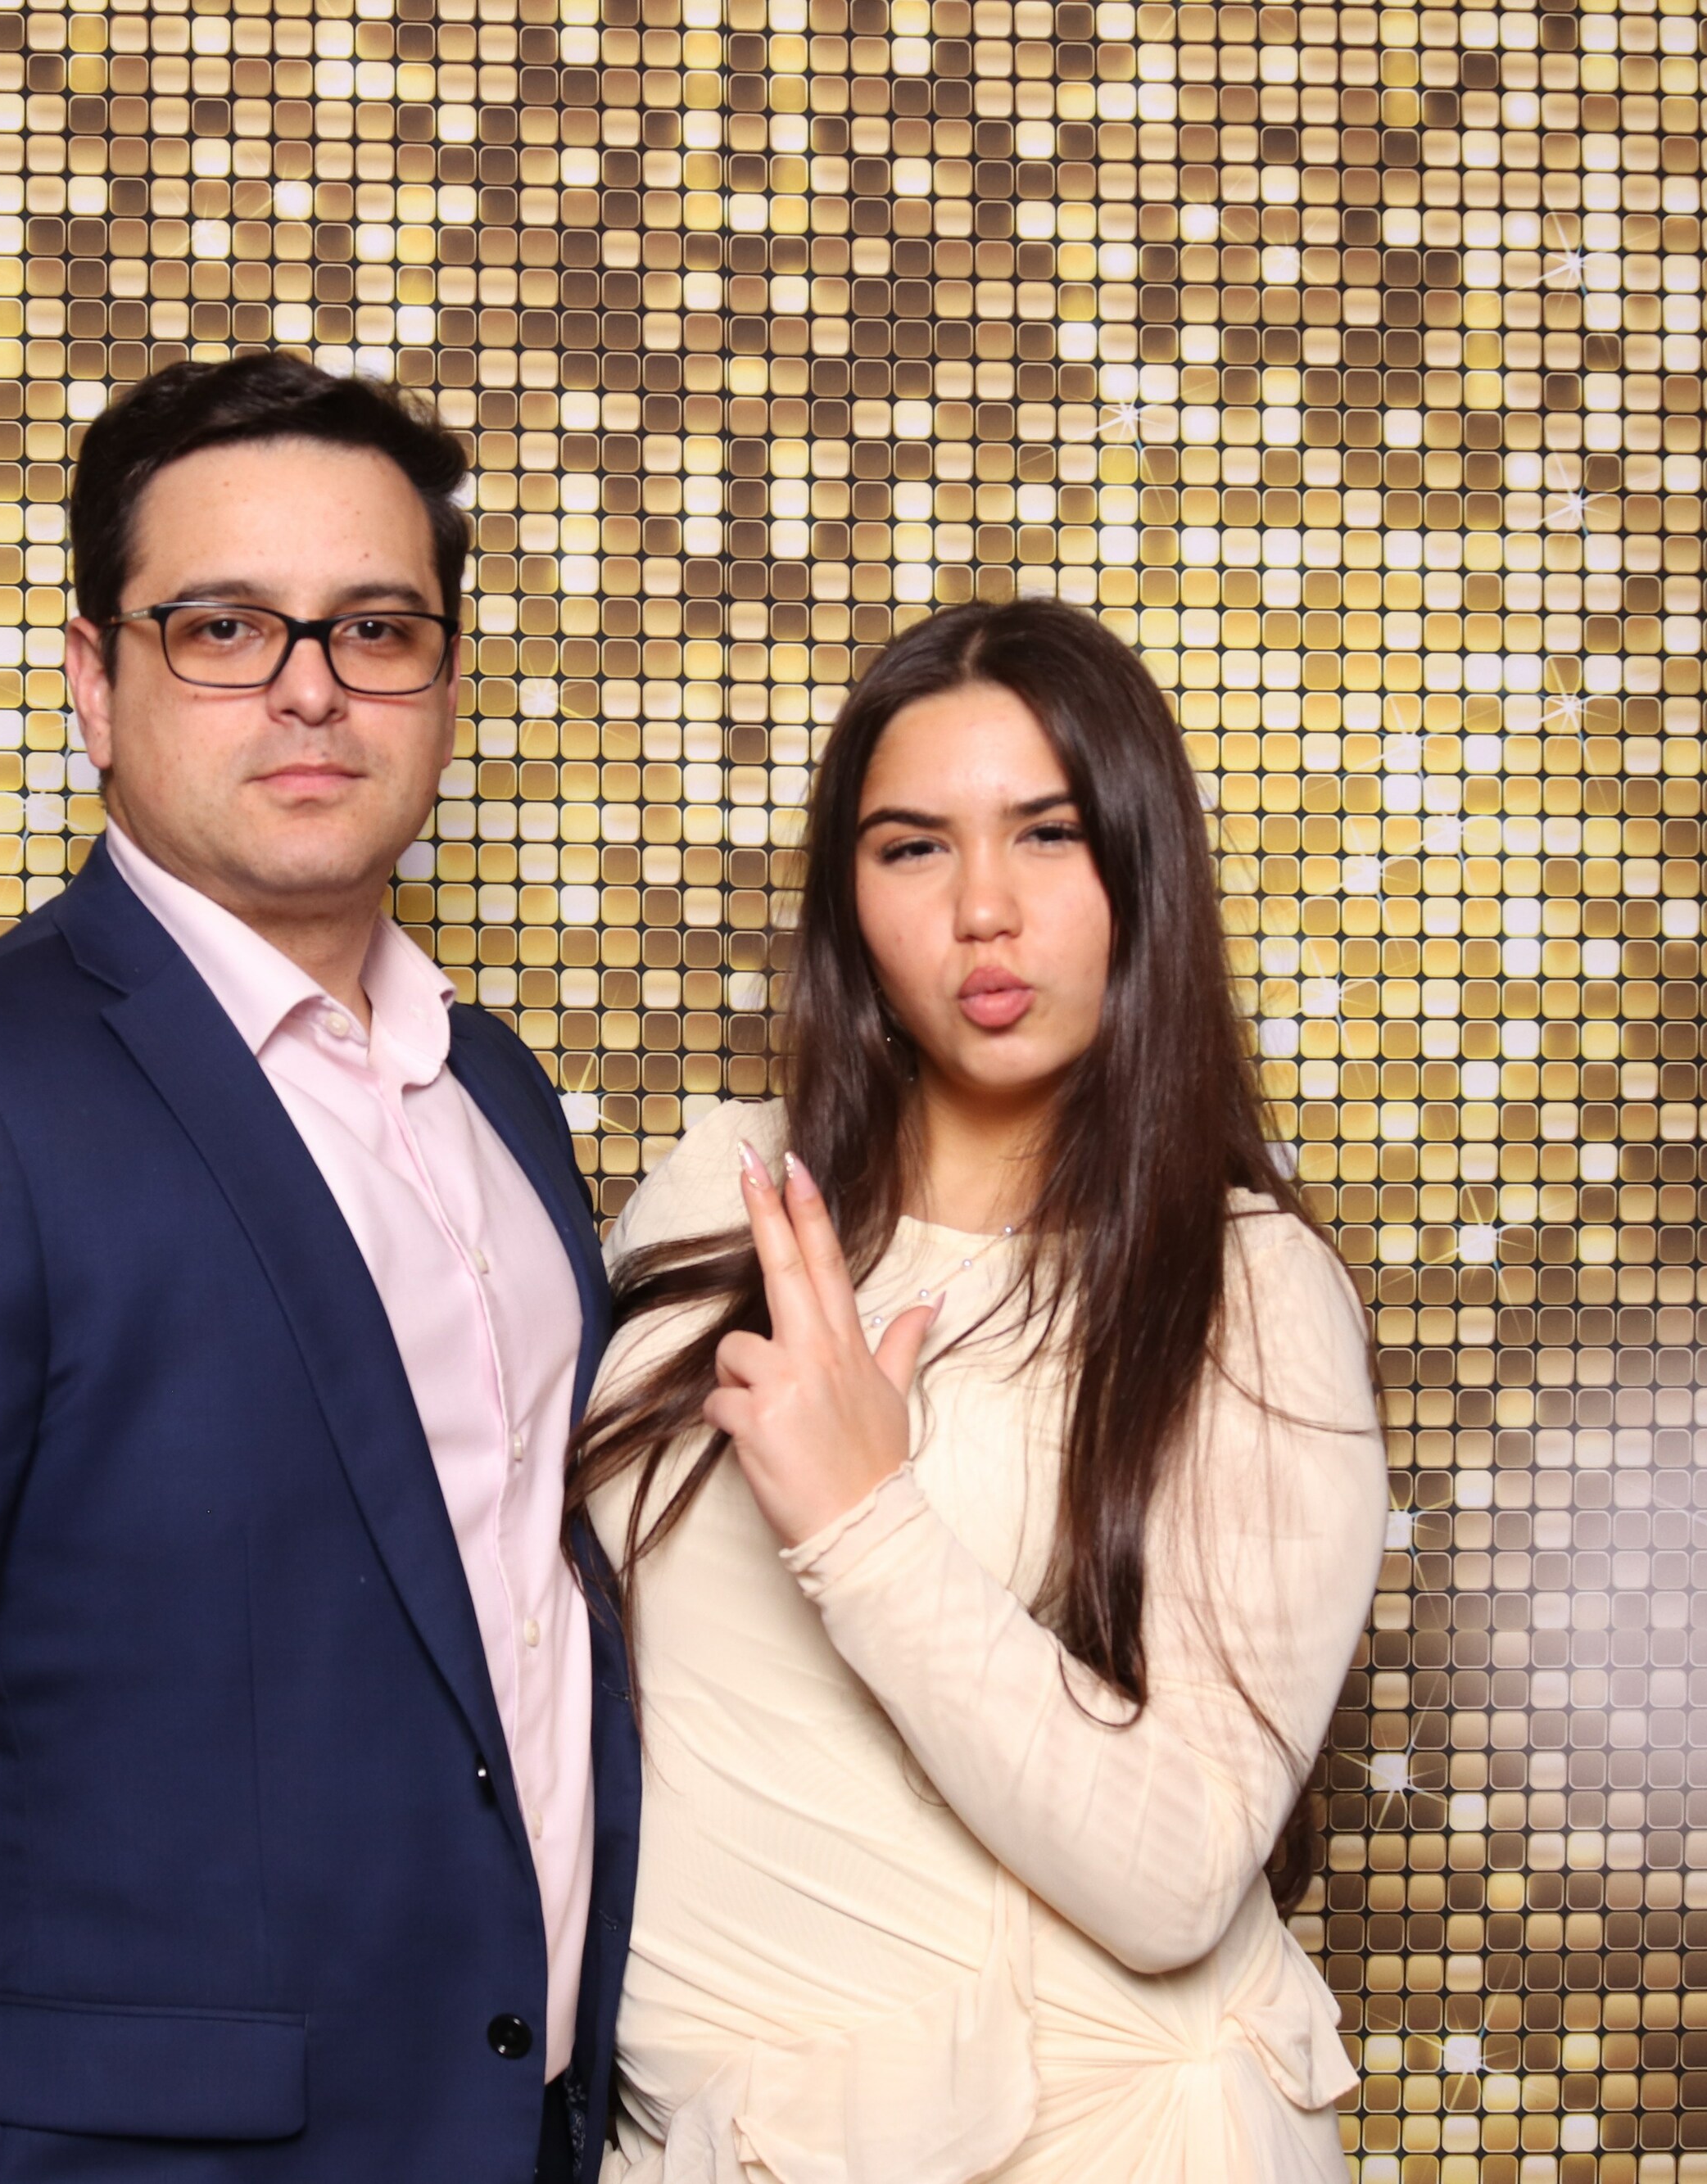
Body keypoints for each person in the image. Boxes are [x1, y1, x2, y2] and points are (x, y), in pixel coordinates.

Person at [0, 352, 639, 2184]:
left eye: (376, 628)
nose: (310, 685)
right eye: (222, 627)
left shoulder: (493, 1095)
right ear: (95, 681)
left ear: (445, 681)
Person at [569, 599, 1389, 2182]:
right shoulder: (720, 1196)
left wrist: (866, 1522)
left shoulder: (1246, 1290)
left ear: (1142, 872)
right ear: (850, 904)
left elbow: (1176, 1875)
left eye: (1048, 834)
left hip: (1086, 2140)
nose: (984, 911)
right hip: (716, 2144)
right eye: (913, 849)